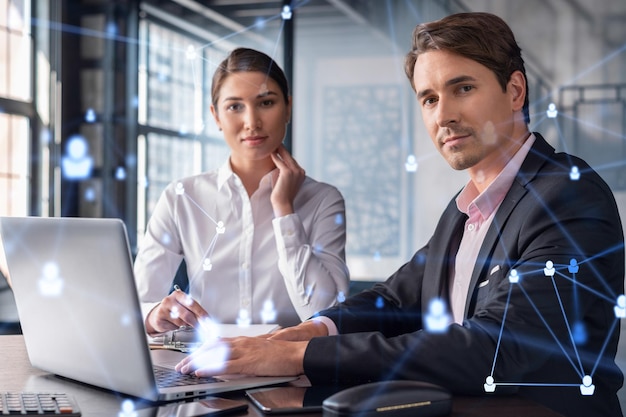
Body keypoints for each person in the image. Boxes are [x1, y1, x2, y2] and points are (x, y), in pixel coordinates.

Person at [175, 13, 625, 417]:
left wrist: (298, 357)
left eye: (462, 88)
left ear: (514, 91)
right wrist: (298, 334)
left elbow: (496, 348)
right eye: (428, 99)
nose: (443, 116)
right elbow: (392, 301)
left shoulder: (568, 196)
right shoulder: (465, 209)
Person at [134, 48, 350, 335]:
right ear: (216, 116)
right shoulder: (181, 198)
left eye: (266, 103)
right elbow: (137, 303)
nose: (252, 122)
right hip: (203, 366)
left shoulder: (323, 200)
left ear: (287, 107)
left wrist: (284, 210)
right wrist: (153, 315)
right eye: (235, 106)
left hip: (290, 368)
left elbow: (326, 313)